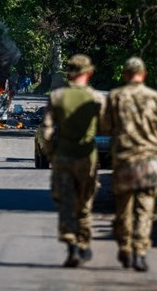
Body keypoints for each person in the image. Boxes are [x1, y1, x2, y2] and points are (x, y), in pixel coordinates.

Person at [101, 57, 157, 272]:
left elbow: (104, 127)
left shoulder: (115, 97)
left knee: (124, 209)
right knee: (145, 209)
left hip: (124, 161)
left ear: (124, 74)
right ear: (144, 74)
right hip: (149, 161)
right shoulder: (155, 97)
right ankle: (140, 253)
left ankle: (125, 248)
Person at [39, 54, 106, 268]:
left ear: (68, 74)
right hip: (87, 157)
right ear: (89, 73)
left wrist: (51, 154)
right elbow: (108, 126)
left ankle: (72, 247)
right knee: (85, 203)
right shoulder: (97, 98)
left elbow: (46, 131)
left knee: (66, 202)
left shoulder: (57, 96)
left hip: (63, 157)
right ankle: (84, 243)